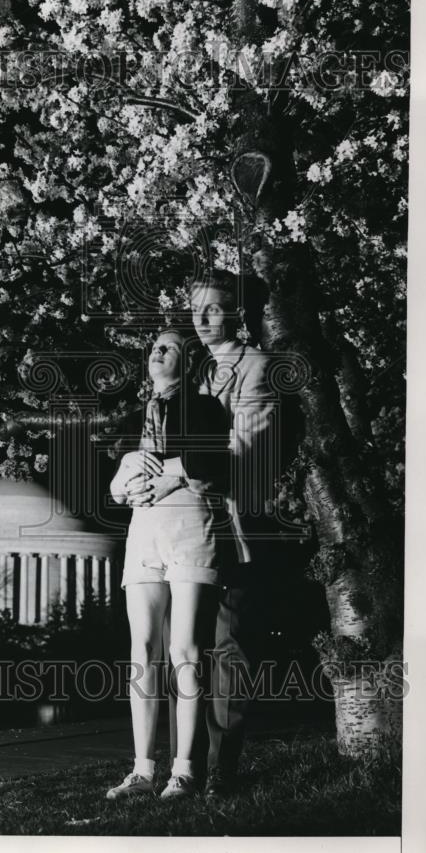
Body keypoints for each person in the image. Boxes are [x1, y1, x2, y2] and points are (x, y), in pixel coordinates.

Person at [105, 327, 232, 800]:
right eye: (154, 347)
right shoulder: (137, 417)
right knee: (142, 648)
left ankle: (185, 770)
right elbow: (115, 484)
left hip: (188, 530)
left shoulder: (201, 408)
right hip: (144, 532)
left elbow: (211, 460)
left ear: (188, 360)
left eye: (169, 347)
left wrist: (170, 477)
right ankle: (141, 770)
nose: (157, 353)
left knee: (185, 650)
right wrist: (125, 485)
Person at [189, 270, 285, 797]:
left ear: (238, 312)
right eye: (195, 308)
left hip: (234, 523)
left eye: (214, 308)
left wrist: (184, 467)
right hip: (180, 523)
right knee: (181, 643)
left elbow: (250, 450)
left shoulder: (257, 367)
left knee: (228, 647)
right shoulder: (190, 368)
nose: (202, 319)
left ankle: (221, 768)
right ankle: (178, 767)